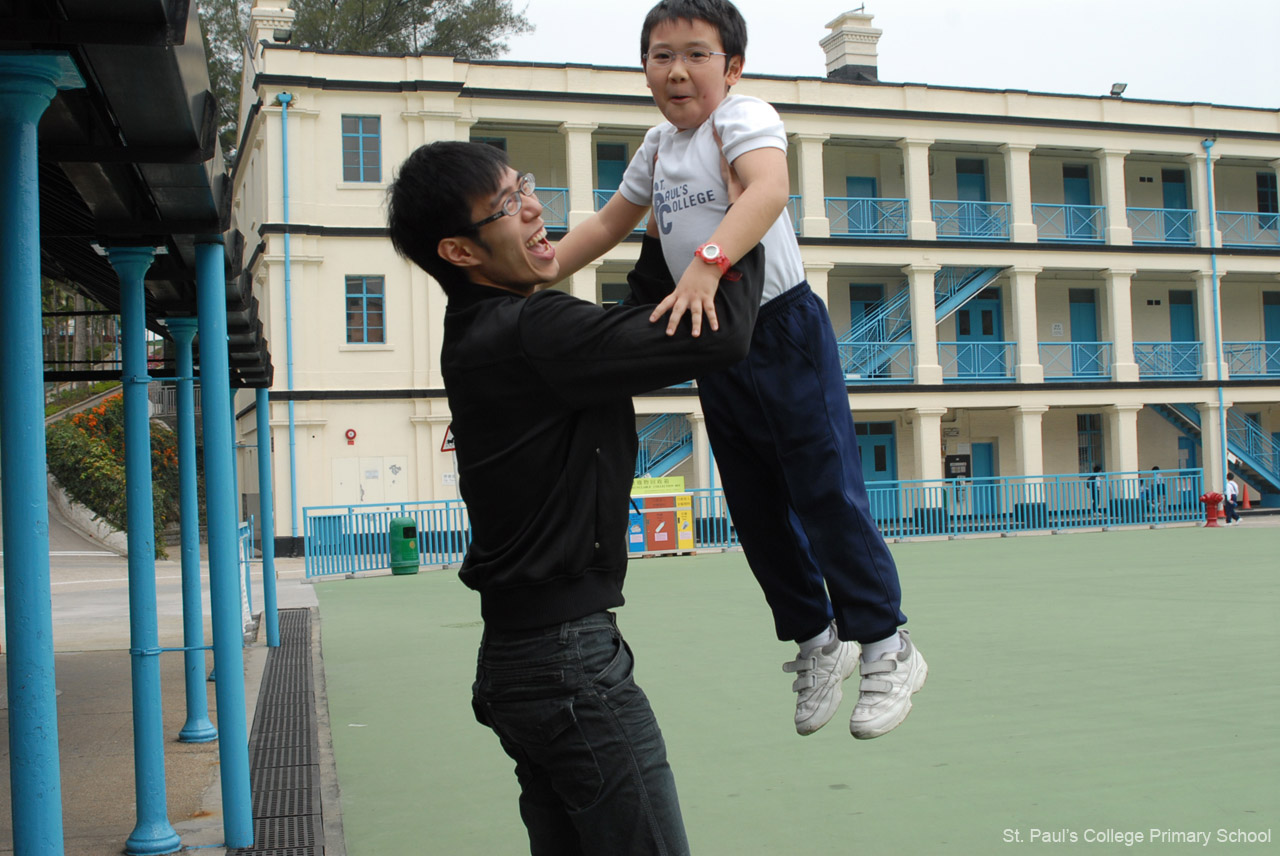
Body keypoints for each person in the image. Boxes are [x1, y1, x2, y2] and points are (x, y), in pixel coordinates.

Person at [554, 0, 925, 741]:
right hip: (718, 345)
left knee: (824, 492)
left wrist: (706, 263)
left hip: (782, 328)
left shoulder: (743, 118)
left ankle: (888, 644)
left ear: (732, 66)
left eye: (696, 53)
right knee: (755, 508)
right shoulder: (658, 147)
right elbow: (605, 225)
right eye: (660, 55)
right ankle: (819, 640)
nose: (677, 70)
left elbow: (767, 189)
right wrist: (530, 274)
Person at [386, 139, 764, 856]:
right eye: (505, 205)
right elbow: (722, 332)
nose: (534, 207)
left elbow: (642, 326)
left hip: (520, 662)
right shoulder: (531, 332)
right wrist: (750, 211)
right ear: (460, 253)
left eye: (522, 185)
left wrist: (663, 231)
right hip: (567, 668)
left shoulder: (482, 332)